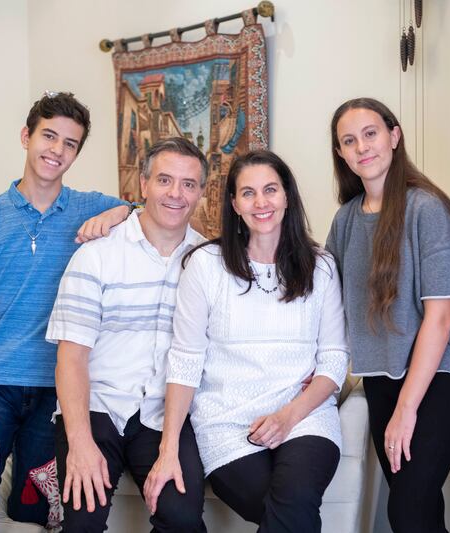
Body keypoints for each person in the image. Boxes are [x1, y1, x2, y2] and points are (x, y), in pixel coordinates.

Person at [0, 91, 130, 532]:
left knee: (31, 510)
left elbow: (147, 211)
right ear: (26, 136)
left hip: (57, 392)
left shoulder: (89, 207)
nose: (57, 150)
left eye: (70, 143)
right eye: (49, 136)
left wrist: (118, 214)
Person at [144, 150, 348, 533]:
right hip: (226, 423)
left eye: (270, 190)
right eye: (248, 193)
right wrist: (169, 446)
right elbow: (185, 361)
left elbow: (334, 360)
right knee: (285, 513)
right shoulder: (205, 265)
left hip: (304, 417)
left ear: (287, 195)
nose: (261, 203)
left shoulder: (321, 267)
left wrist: (287, 416)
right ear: (234, 204)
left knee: (296, 498)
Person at [326, 97, 450, 533]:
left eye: (371, 134)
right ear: (341, 153)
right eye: (349, 140)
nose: (362, 147)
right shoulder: (346, 220)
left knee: (408, 507)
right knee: (418, 506)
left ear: (394, 137)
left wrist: (406, 409)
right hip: (382, 377)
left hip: (441, 379)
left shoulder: (426, 209)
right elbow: (329, 303)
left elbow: (442, 320)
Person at [46, 137, 208, 532]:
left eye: (189, 184)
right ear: (144, 184)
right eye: (165, 180)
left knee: (184, 519)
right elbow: (71, 358)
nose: (176, 193)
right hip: (97, 406)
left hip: (163, 412)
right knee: (83, 521)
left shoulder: (208, 262)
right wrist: (80, 444)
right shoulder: (97, 254)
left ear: (201, 192)